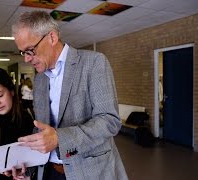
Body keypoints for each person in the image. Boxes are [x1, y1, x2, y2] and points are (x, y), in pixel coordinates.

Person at [12, 11, 128, 180]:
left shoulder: (94, 63)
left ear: (51, 37)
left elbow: (109, 121)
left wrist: (60, 138)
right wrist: (28, 166)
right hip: (49, 172)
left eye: (30, 50)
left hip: (88, 172)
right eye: (23, 53)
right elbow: (42, 130)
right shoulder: (39, 80)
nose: (27, 60)